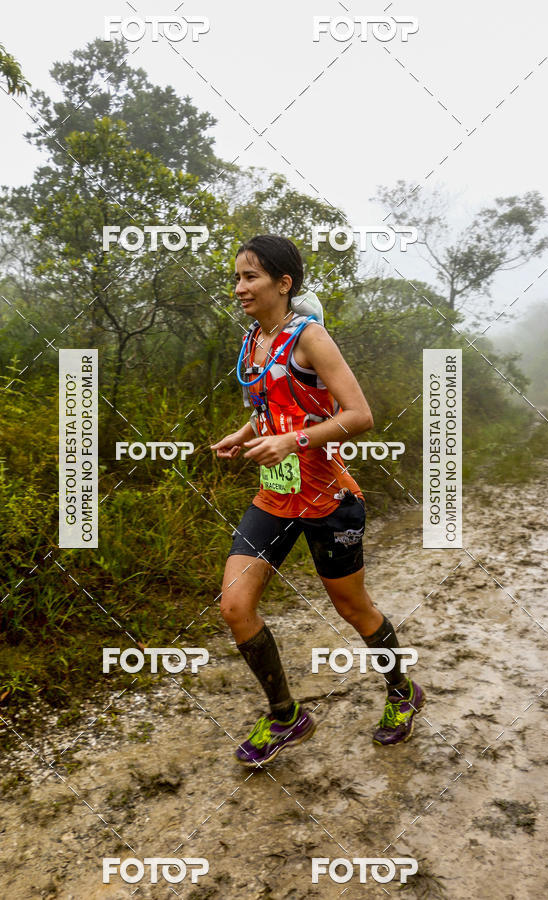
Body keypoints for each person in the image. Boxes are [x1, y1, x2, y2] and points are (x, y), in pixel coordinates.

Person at [210, 234, 425, 767]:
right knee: (235, 606)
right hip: (275, 498)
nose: (240, 287)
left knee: (353, 608)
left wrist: (292, 441)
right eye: (237, 277)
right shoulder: (254, 341)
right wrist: (246, 434)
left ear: (284, 284)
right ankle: (286, 716)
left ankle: (403, 693)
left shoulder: (311, 338)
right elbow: (271, 406)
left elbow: (359, 415)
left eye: (251, 276)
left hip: (329, 500)